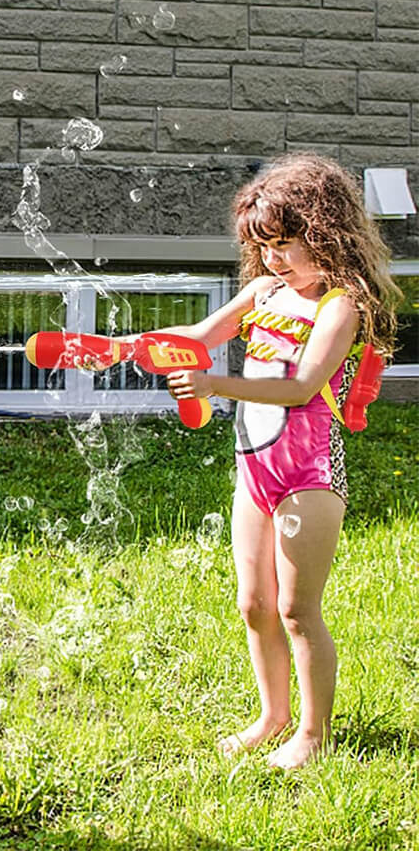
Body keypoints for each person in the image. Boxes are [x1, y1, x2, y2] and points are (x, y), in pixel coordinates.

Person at [162, 153, 400, 769]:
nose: (273, 259)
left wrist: (216, 386)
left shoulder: (342, 305)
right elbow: (196, 338)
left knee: (297, 611)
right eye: (264, 245)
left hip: (309, 476)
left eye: (286, 243)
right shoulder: (264, 291)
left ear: (326, 234)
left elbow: (301, 387)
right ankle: (273, 717)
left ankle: (313, 735)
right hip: (255, 468)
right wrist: (121, 349)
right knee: (254, 604)